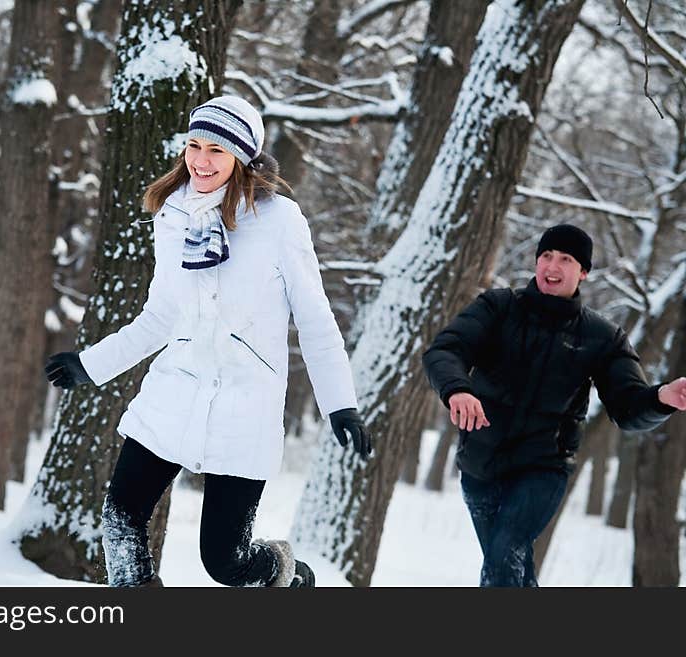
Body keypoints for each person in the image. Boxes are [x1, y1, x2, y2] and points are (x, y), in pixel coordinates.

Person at [44, 95, 371, 588]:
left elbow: (317, 322)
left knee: (226, 562)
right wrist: (90, 365)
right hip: (173, 394)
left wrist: (340, 406)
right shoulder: (173, 217)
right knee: (120, 519)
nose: (200, 160)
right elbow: (160, 315)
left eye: (216, 151)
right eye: (193, 146)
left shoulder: (279, 221)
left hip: (244, 406)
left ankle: (287, 576)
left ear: (242, 157)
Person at [422, 223, 686, 587]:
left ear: (584, 272)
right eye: (546, 256)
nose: (552, 266)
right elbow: (445, 350)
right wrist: (457, 390)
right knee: (511, 569)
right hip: (481, 462)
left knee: (505, 554)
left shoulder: (601, 337)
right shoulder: (498, 308)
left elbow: (627, 407)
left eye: (565, 259)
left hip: (542, 468)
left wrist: (661, 398)